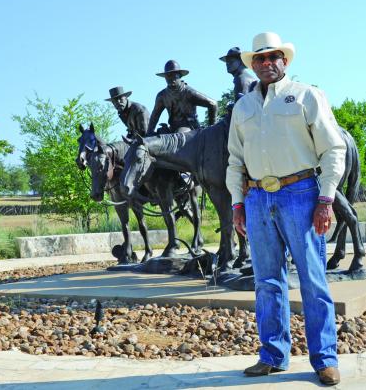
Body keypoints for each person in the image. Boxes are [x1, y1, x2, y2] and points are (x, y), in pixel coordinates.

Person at [226, 32, 346, 386]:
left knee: (312, 279)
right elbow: (234, 160)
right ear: (253, 65)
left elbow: (333, 149)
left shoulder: (307, 96)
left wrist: (325, 199)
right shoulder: (242, 108)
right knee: (266, 282)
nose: (266, 63)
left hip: (302, 193)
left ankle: (324, 359)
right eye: (260, 59)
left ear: (285, 60)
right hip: (258, 197)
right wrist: (237, 203)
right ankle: (273, 355)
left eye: (272, 57)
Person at [147, 60, 217, 134]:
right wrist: (149, 134)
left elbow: (213, 104)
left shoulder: (189, 92)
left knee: (179, 135)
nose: (171, 78)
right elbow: (155, 116)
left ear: (180, 75)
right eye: (168, 75)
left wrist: (212, 129)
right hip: (172, 128)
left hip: (190, 127)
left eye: (174, 74)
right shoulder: (162, 96)